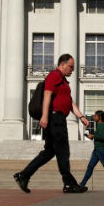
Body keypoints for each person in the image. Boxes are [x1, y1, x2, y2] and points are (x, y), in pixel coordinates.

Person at [14, 54, 90, 194]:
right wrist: (44, 117)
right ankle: (69, 183)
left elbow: (70, 103)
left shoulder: (64, 82)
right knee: (63, 151)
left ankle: (23, 175)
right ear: (62, 65)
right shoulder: (54, 76)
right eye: (71, 67)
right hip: (55, 119)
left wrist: (81, 116)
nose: (72, 70)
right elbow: (47, 95)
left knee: (49, 152)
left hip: (58, 119)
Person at [79, 110, 104, 191]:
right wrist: (92, 136)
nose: (94, 117)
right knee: (90, 167)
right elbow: (99, 136)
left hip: (101, 149)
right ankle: (82, 184)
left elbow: (103, 137)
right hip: (97, 149)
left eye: (95, 116)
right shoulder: (99, 125)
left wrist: (93, 136)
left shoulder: (101, 125)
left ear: (100, 117)